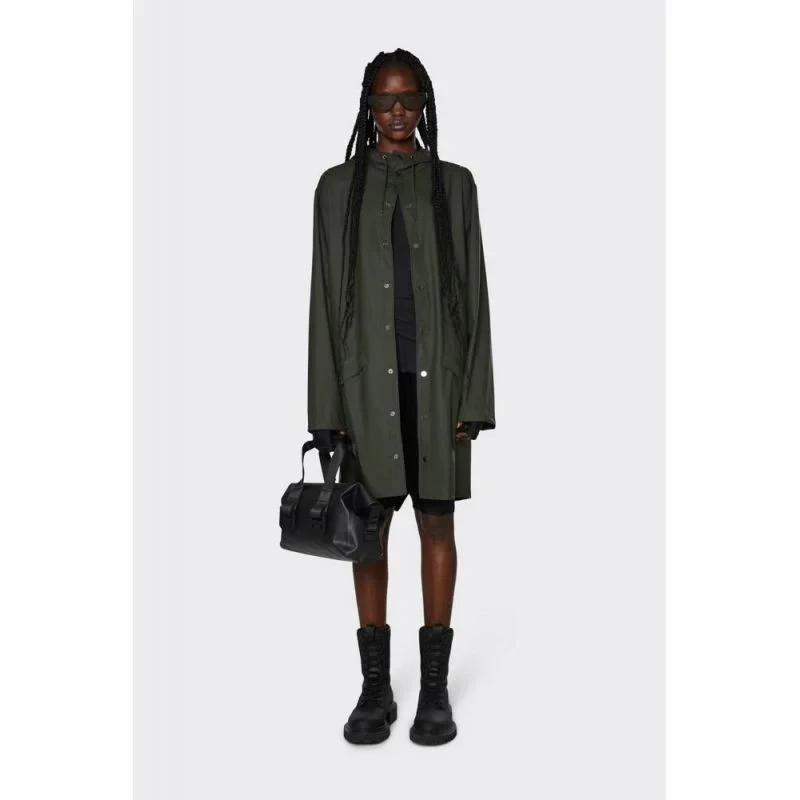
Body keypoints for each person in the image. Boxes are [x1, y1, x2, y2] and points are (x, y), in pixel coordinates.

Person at [305, 48, 496, 746]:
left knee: (438, 526)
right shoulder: (336, 189)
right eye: (384, 101)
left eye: (408, 99)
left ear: (424, 103)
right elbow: (324, 301)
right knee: (369, 532)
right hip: (365, 394)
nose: (396, 113)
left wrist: (473, 400)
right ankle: (376, 688)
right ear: (367, 105)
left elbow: (475, 292)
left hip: (438, 390)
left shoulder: (454, 185)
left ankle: (435, 692)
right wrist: (326, 412)